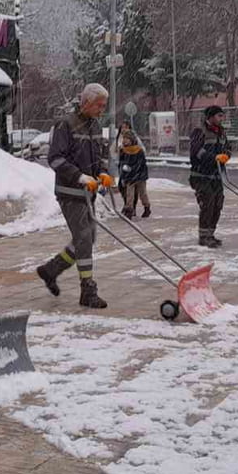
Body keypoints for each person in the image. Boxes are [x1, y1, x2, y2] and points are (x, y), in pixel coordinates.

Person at [36, 83, 112, 308]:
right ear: (86, 102)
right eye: (99, 105)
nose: (102, 110)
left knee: (87, 238)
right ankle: (87, 290)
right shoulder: (65, 125)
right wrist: (79, 177)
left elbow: (102, 154)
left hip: (89, 193)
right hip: (70, 193)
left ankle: (51, 270)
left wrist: (104, 173)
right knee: (85, 239)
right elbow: (56, 159)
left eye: (104, 106)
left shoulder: (95, 125)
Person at [189, 105, 232, 248]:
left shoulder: (221, 132)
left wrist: (226, 155)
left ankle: (211, 234)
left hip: (216, 176)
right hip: (201, 175)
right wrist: (213, 158)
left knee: (217, 205)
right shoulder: (199, 131)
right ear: (210, 117)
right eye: (219, 116)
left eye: (222, 116)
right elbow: (196, 152)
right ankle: (203, 237)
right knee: (207, 204)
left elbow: (228, 147)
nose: (221, 118)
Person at [118, 126, 150, 218]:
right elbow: (122, 163)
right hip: (129, 176)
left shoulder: (138, 150)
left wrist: (134, 172)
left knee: (142, 193)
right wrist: (124, 174)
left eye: (126, 139)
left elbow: (141, 164)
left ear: (131, 140)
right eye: (123, 138)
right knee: (129, 194)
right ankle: (129, 209)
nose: (124, 140)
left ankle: (147, 207)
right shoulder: (123, 150)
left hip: (139, 176)